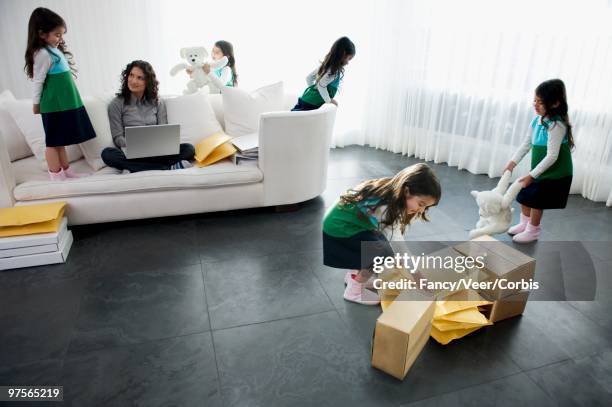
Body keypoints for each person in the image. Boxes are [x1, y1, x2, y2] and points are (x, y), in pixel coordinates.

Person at [322, 163, 441, 305]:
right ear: (407, 191)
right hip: (340, 229)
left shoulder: (391, 190)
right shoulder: (386, 207)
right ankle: (353, 291)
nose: (421, 210)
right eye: (421, 204)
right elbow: (398, 246)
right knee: (381, 253)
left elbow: (395, 237)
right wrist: (419, 279)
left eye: (425, 207)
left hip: (343, 223)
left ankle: (354, 276)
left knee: (380, 244)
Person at [24, 7, 96, 180]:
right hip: (53, 106)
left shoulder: (54, 51)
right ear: (42, 34)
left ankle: (67, 171)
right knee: (52, 143)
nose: (60, 38)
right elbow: (38, 81)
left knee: (60, 140)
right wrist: (36, 103)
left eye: (61, 34)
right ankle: (56, 176)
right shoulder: (42, 53)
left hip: (63, 104)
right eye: (57, 34)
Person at [504, 79, 574, 243]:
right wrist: (513, 162)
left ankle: (533, 231)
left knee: (537, 200)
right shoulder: (537, 120)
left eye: (540, 102)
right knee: (524, 194)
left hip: (556, 171)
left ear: (555, 103)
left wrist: (532, 175)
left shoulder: (556, 125)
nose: (535, 104)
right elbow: (527, 143)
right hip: (541, 169)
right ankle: (524, 224)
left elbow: (552, 156)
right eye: (535, 100)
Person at [102, 60, 195, 173]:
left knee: (189, 149)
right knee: (107, 154)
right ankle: (166, 167)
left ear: (148, 81)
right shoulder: (116, 104)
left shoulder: (157, 102)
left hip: (157, 152)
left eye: (140, 78)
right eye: (131, 75)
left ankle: (134, 168)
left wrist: (159, 145)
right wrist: (132, 144)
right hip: (131, 153)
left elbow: (163, 130)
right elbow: (117, 137)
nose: (133, 81)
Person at [292, 36, 355, 111]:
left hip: (305, 98)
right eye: (349, 59)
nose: (348, 63)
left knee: (291, 118)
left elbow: (309, 78)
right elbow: (321, 85)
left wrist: (315, 91)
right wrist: (329, 101)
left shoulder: (325, 66)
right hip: (312, 104)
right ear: (343, 54)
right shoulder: (334, 71)